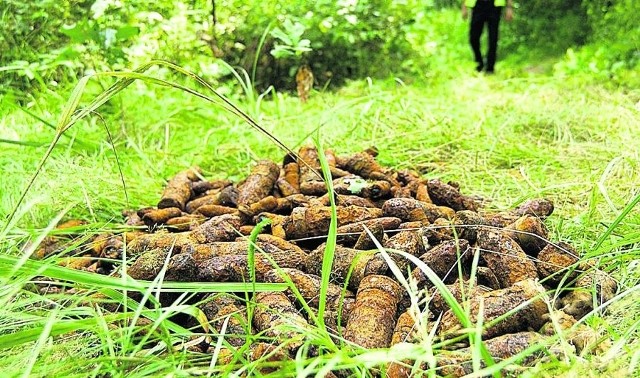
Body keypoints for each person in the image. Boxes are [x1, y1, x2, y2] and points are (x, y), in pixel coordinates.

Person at [462, 0, 514, 74]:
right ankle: (479, 63)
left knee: (493, 38)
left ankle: (490, 68)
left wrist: (509, 7)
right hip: (478, 5)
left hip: (494, 6)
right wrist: (464, 7)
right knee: (473, 38)